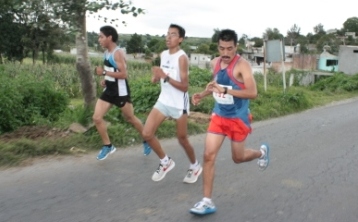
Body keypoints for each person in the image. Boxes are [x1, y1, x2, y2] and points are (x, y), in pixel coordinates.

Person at [189, 29, 270, 215]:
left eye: (229, 49)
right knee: (208, 155)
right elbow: (217, 83)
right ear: (218, 46)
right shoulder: (214, 63)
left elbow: (252, 93)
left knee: (238, 158)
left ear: (236, 47)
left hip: (237, 118)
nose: (225, 53)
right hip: (219, 116)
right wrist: (202, 94)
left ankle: (261, 153)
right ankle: (206, 201)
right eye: (222, 48)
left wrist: (226, 92)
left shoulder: (243, 66)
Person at [142, 24, 202, 183]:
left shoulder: (182, 58)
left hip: (178, 103)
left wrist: (165, 76)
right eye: (167, 34)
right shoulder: (163, 54)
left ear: (180, 39)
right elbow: (161, 77)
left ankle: (195, 166)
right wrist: (156, 77)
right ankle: (165, 162)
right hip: (164, 100)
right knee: (147, 133)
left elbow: (184, 87)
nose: (168, 37)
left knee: (182, 139)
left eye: (173, 34)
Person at [93, 25, 152, 160]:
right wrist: (106, 79)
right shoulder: (107, 52)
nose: (99, 40)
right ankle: (108, 146)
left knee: (130, 118)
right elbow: (112, 71)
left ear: (110, 37)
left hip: (120, 92)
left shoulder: (118, 53)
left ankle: (147, 139)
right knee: (97, 118)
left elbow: (124, 74)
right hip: (109, 90)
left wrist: (103, 72)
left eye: (101, 36)